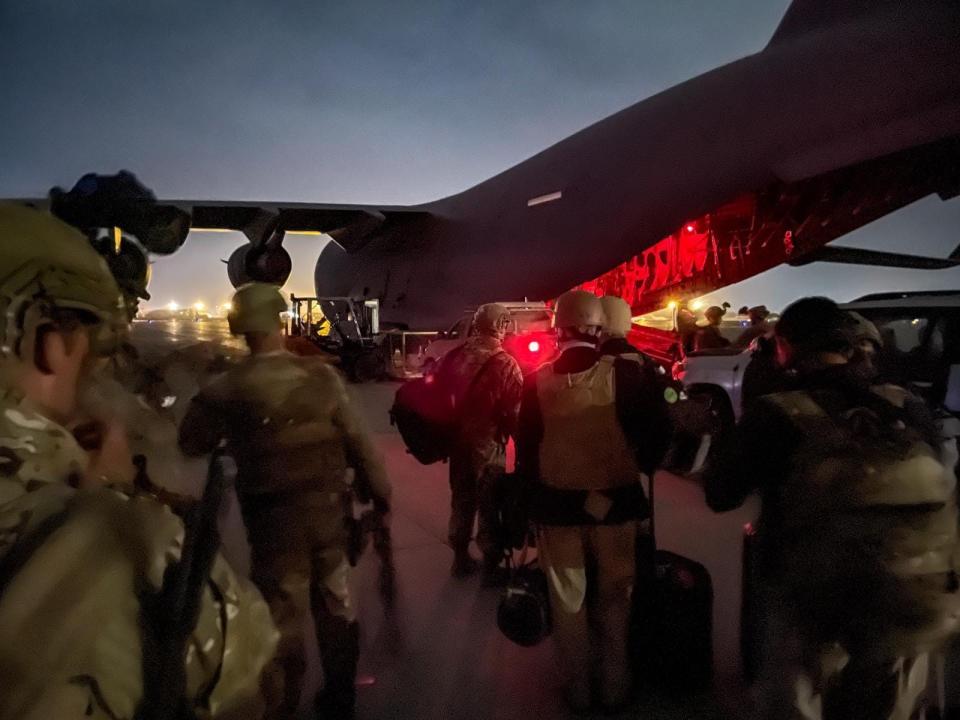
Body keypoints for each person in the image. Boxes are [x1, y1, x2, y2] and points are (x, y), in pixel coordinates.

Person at [0, 204, 277, 720]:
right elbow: (253, 683)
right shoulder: (125, 548)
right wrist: (118, 495)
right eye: (91, 341)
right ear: (48, 342)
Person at [705, 297, 960, 720]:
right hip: (911, 598)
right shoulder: (908, 404)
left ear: (786, 346)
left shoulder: (778, 413)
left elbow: (721, 494)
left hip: (814, 603)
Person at [179, 281, 391, 719]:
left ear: (239, 328)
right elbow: (359, 442)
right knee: (337, 607)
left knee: (283, 621)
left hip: (274, 528)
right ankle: (339, 698)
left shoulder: (227, 389)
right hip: (330, 518)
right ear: (279, 322)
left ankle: (282, 706)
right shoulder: (321, 376)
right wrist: (380, 494)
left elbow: (191, 442)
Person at [517, 290, 672, 712]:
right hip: (616, 506)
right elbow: (656, 437)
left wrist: (526, 508)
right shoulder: (626, 374)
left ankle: (579, 691)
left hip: (556, 509)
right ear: (597, 328)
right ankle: (616, 687)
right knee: (616, 599)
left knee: (568, 601)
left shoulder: (537, 380)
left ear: (559, 330)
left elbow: (527, 451)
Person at [438, 302, 523, 582]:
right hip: (488, 448)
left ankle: (458, 560)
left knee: (461, 500)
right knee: (490, 505)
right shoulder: (506, 364)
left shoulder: (454, 357)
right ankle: (490, 566)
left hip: (458, 445)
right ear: (500, 326)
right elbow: (515, 413)